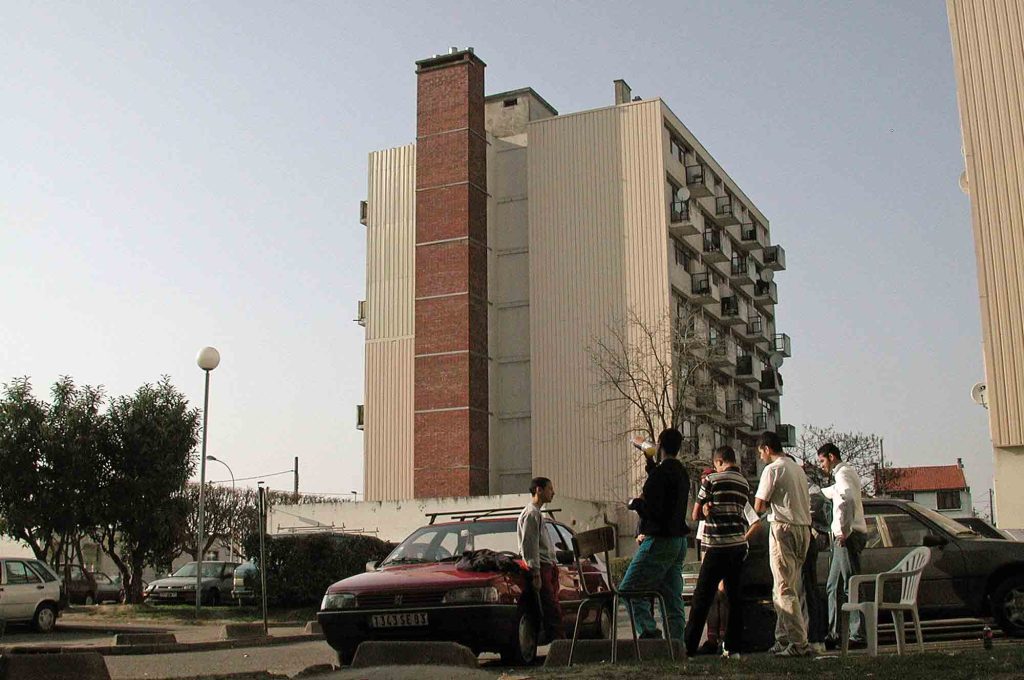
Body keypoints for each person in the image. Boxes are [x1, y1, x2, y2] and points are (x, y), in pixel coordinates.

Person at [619, 428, 690, 641]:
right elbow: (661, 480)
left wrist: (636, 504)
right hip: (679, 540)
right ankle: (677, 644)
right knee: (671, 597)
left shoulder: (661, 474)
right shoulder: (681, 472)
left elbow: (654, 509)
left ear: (659, 445)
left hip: (660, 540)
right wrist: (648, 458)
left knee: (629, 589)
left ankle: (650, 633)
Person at [683, 445, 751, 659]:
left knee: (702, 598)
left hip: (716, 546)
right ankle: (733, 648)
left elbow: (695, 514)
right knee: (734, 598)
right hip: (738, 546)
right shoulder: (744, 483)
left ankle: (688, 646)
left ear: (719, 462)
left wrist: (704, 510)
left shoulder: (711, 480)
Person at [754, 431, 812, 657]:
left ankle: (799, 642)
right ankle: (783, 638)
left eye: (761, 452)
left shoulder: (773, 469)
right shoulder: (797, 468)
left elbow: (759, 505)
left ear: (767, 449)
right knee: (788, 586)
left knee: (783, 588)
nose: (761, 457)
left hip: (783, 528)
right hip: (803, 528)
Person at [817, 443, 868, 650]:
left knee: (850, 583)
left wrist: (845, 532)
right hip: (844, 537)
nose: (820, 465)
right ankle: (835, 633)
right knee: (834, 586)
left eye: (822, 461)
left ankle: (857, 634)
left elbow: (846, 500)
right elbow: (836, 493)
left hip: (847, 536)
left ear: (831, 457)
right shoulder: (845, 474)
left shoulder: (843, 473)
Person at [516, 477, 565, 641]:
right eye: (550, 489)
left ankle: (559, 643)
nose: (553, 492)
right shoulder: (531, 513)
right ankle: (559, 645)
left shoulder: (538, 513)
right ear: (539, 490)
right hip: (541, 568)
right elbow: (530, 545)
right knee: (551, 609)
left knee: (553, 607)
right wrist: (536, 573)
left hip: (547, 567)